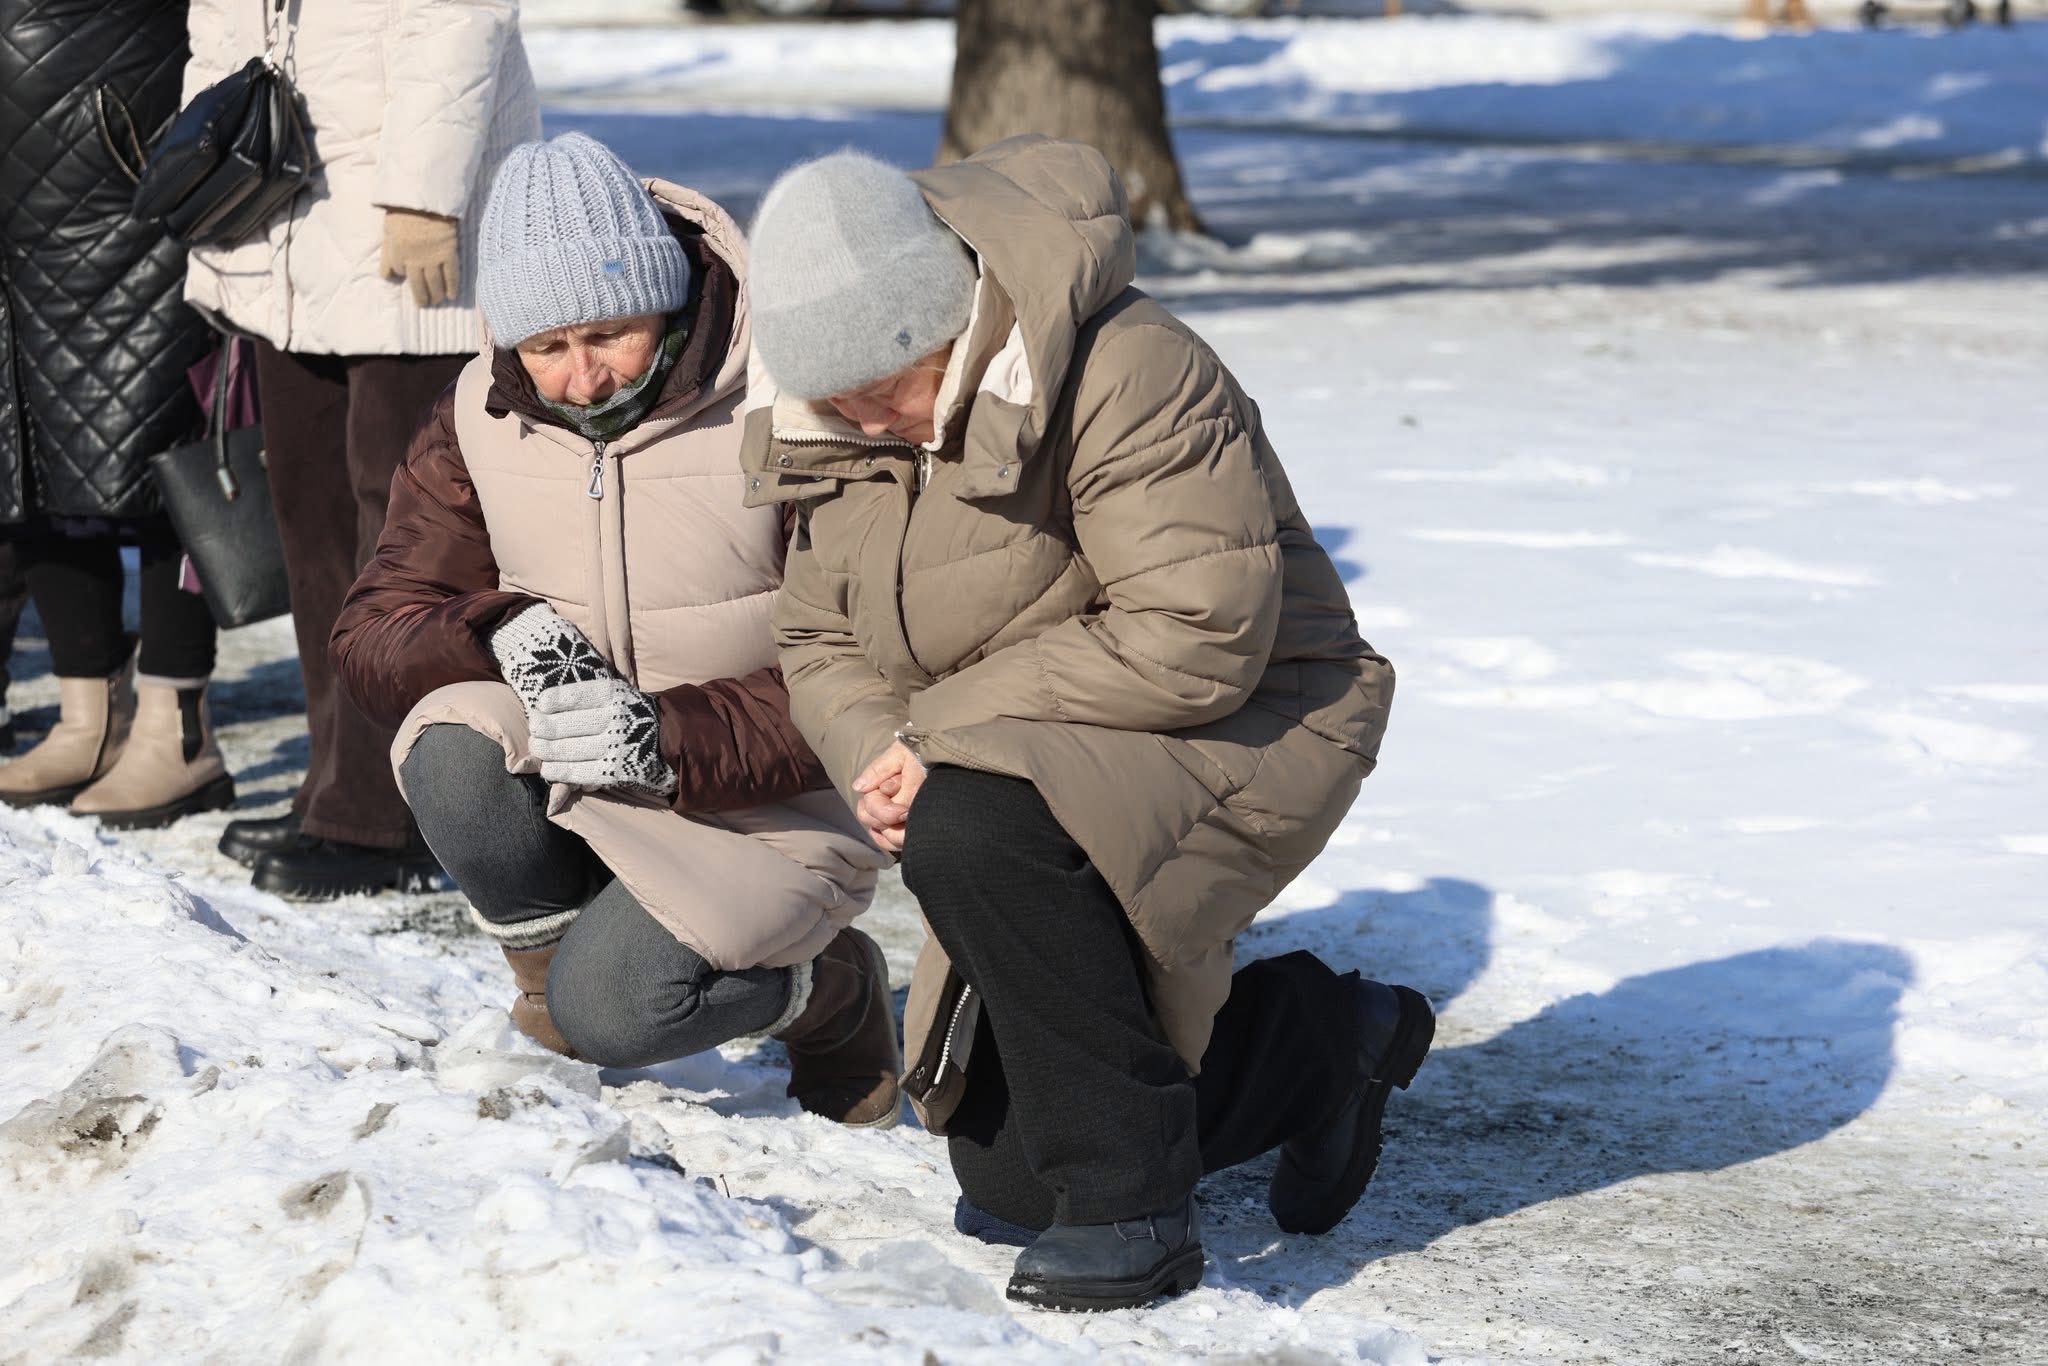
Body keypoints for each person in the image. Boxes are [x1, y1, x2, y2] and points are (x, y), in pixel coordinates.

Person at [741, 139, 1434, 1310]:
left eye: (888, 388)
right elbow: (818, 640)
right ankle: (1319, 1040)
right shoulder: (848, 428)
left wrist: (940, 736)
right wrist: (875, 754)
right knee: (1007, 1177)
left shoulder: (1130, 366)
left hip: (1256, 707)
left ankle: (1134, 1206)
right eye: (840, 403)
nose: (872, 423)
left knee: (968, 824)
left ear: (946, 323)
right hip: (1033, 742)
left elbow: (1196, 629)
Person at [330, 134, 899, 1128]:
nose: (582, 377)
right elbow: (374, 629)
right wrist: (494, 626)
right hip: (581, 777)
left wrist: (663, 739)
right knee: (453, 744)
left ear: (668, 298)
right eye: (545, 347)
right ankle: (552, 992)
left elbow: (883, 656)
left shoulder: (792, 399)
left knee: (622, 1013)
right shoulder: (476, 414)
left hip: (775, 800)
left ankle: (831, 992)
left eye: (610, 335)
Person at [180, 0, 539, 896]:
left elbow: (460, 20)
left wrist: (425, 195)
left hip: (408, 230)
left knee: (404, 534)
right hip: (278, 225)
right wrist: (202, 165)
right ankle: (333, 784)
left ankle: (393, 815)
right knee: (311, 519)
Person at [0, 0, 229, 829]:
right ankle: (87, 714)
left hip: (114, 137)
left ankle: (179, 730)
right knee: (25, 437)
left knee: (157, 430)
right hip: (25, 142)